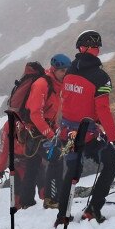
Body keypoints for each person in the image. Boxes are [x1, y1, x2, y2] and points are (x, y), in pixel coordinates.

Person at [55, 30, 115, 226]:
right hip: (88, 134)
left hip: (67, 133)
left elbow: (67, 101)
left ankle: (62, 216)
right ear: (96, 50)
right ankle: (93, 209)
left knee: (72, 171)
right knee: (111, 161)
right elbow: (103, 111)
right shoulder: (100, 77)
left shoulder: (69, 71)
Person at [20, 53, 71, 209]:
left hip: (36, 132)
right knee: (56, 158)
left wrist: (56, 130)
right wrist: (50, 134)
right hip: (34, 133)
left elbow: (50, 114)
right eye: (62, 70)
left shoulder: (56, 85)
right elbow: (35, 113)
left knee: (33, 166)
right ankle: (52, 199)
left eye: (66, 70)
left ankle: (26, 203)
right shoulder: (42, 84)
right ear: (54, 69)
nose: (65, 73)